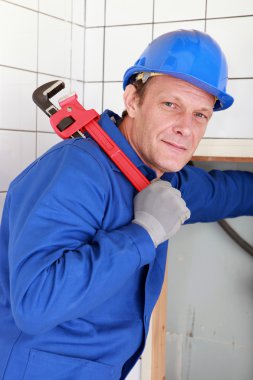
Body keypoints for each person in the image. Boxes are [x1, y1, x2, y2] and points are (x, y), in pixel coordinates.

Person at [0, 29, 252, 380]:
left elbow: (223, 193)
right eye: (170, 105)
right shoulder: (75, 172)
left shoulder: (155, 176)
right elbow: (35, 304)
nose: (185, 128)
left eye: (200, 115)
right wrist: (143, 233)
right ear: (133, 100)